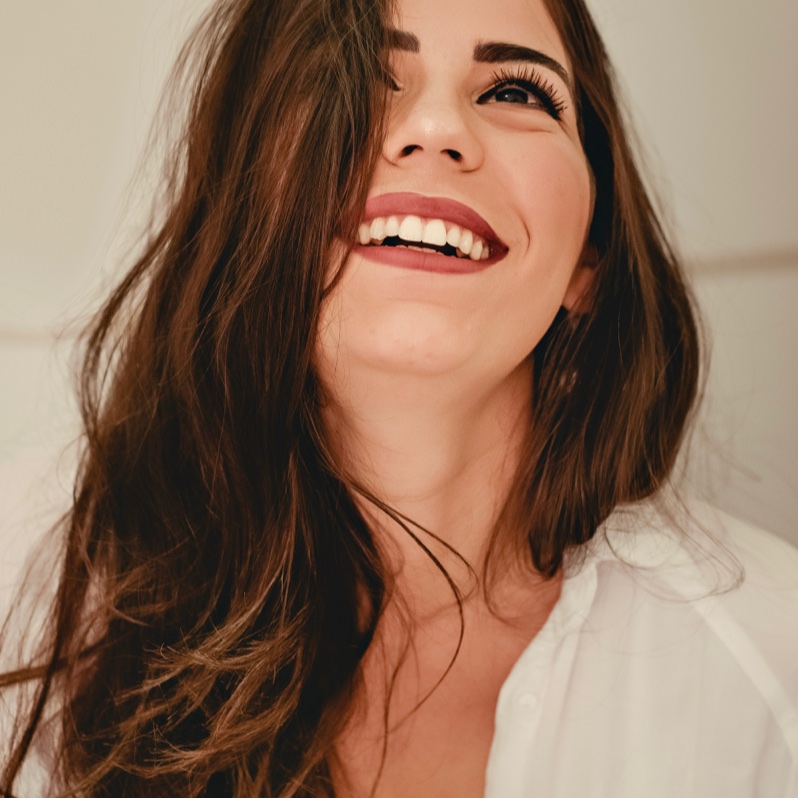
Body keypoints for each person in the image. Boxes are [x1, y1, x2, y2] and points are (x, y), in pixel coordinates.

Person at [1, 0, 797, 795]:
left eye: (515, 91)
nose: (438, 128)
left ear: (592, 251)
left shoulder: (769, 673)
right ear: (246, 199)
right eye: (355, 80)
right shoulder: (19, 589)